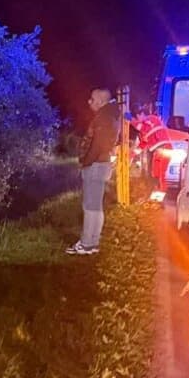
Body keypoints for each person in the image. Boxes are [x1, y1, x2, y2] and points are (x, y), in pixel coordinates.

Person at [68, 88, 120, 256]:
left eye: (91, 99)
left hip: (95, 166)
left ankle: (87, 244)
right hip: (100, 165)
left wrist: (85, 162)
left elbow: (97, 145)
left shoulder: (104, 117)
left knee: (91, 207)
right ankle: (92, 242)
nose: (89, 102)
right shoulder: (110, 115)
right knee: (95, 206)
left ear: (100, 101)